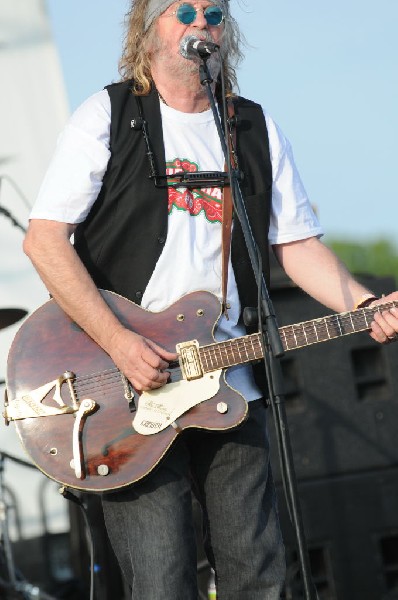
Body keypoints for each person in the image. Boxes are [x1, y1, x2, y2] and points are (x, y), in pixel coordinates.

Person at [23, 0, 398, 598]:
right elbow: (44, 241)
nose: (204, 25)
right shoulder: (111, 115)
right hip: (125, 389)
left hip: (230, 384)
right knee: (163, 580)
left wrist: (361, 301)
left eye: (216, 14)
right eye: (186, 11)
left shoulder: (251, 127)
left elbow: (295, 244)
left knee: (259, 574)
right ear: (147, 33)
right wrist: (120, 342)